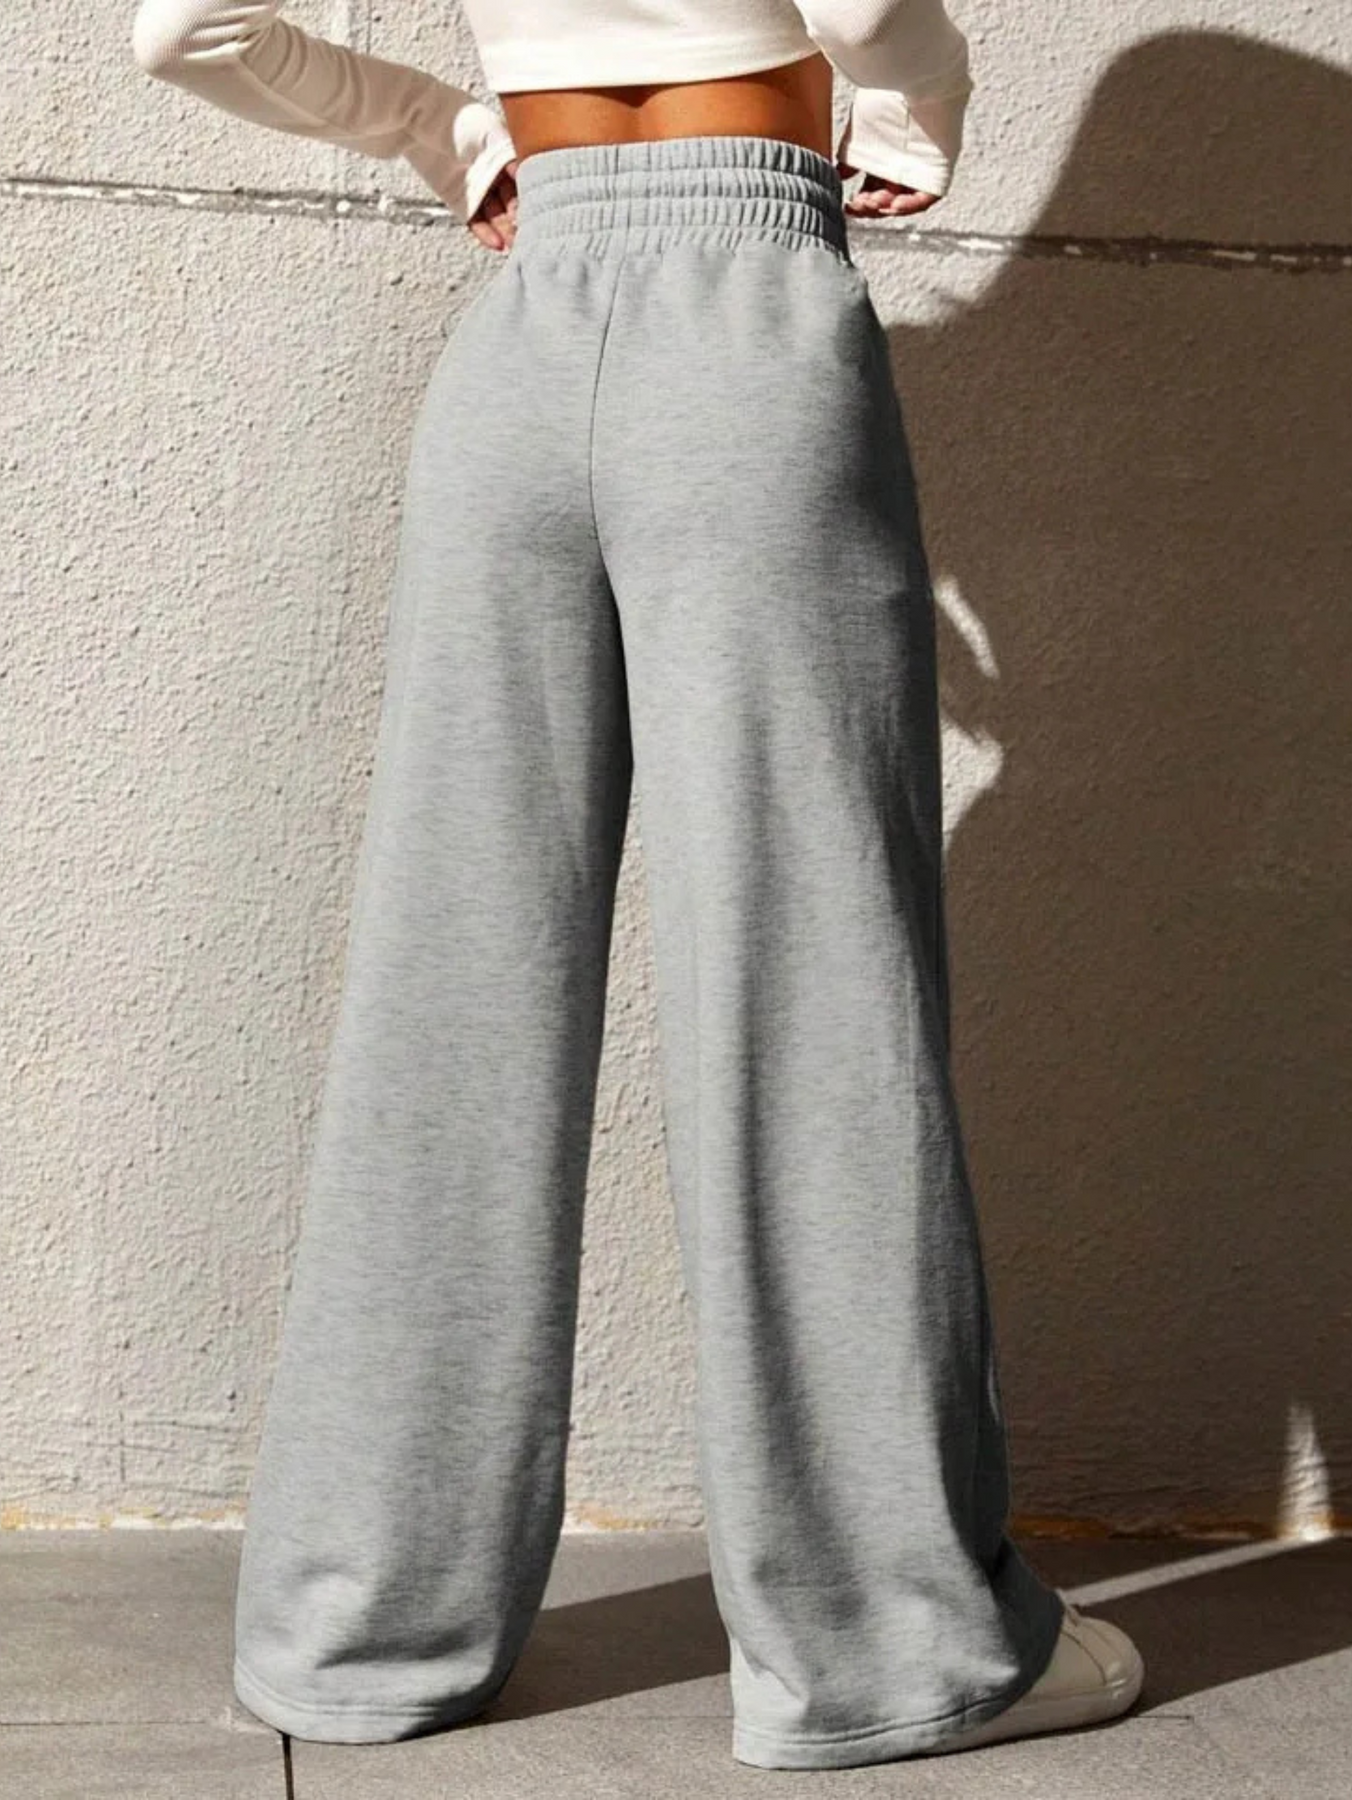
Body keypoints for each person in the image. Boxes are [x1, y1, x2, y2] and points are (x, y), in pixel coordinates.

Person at [129, 0, 1145, 1771]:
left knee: (455, 994)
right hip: (749, 324)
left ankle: (353, 1633)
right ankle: (882, 1652)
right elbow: (862, 11)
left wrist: (446, 133)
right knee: (811, 998)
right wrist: (919, 106)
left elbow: (182, 27)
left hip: (520, 352)